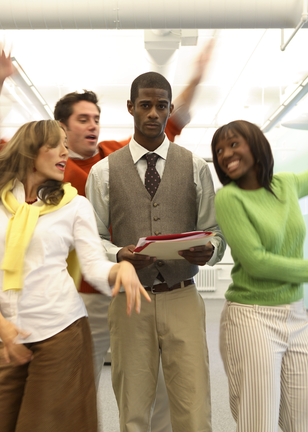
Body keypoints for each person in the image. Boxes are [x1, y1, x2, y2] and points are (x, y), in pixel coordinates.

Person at [0, 41, 215, 432]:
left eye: (97, 118)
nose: (93, 125)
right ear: (62, 129)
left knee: (156, 389)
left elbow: (170, 122)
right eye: (84, 119)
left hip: (122, 286)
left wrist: (197, 77)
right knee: (81, 387)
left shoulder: (112, 157)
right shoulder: (48, 168)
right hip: (80, 296)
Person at [0, 119, 150, 432]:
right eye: (58, 144)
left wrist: (120, 267)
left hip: (60, 333)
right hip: (5, 337)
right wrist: (1, 325)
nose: (66, 152)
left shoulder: (75, 205)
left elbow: (93, 267)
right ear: (32, 150)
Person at [85, 71, 226, 432]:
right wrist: (119, 254)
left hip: (183, 297)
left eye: (161, 106)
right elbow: (92, 238)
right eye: (145, 105)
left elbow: (215, 232)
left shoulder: (195, 167)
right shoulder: (102, 173)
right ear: (131, 107)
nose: (153, 113)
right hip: (130, 301)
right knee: (133, 405)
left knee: (193, 404)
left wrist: (207, 249)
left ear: (170, 109)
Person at [211, 86, 308, 432]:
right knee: (258, 420)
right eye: (219, 149)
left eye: (234, 143)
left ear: (256, 145)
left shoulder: (286, 185)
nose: (225, 153)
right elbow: (256, 261)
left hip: (297, 315)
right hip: (252, 316)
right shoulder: (229, 199)